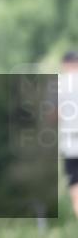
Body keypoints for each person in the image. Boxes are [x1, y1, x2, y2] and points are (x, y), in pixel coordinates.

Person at [54, 50, 78, 220]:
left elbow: (54, 115)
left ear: (64, 64)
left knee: (76, 189)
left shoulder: (60, 84)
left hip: (70, 144)